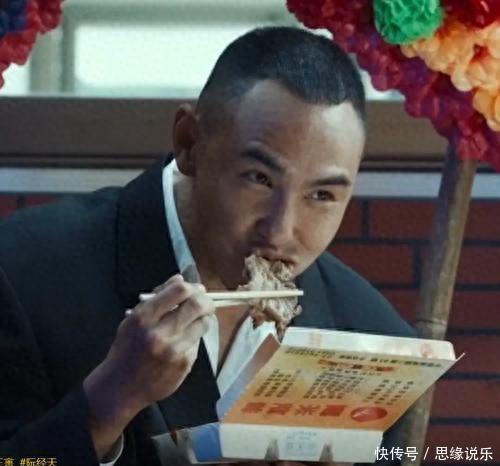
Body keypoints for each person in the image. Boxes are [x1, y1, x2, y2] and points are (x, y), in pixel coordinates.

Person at [0, 26, 415, 465]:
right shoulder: (23, 272)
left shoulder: (371, 342)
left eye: (322, 195)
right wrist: (109, 401)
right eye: (259, 178)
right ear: (189, 143)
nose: (280, 231)